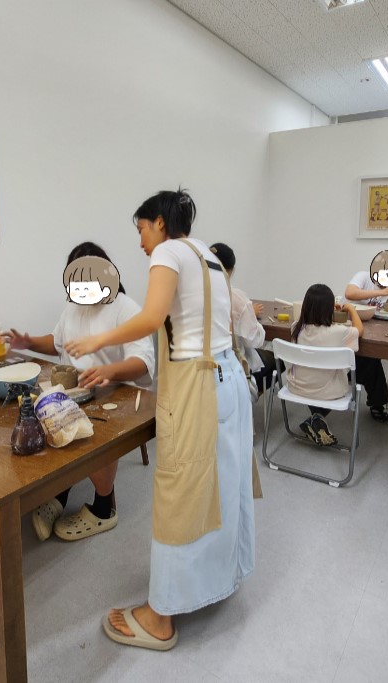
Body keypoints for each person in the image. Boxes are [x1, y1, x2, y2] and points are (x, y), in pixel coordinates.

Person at [64, 189, 254, 651]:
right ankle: (220, 578)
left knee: (179, 490)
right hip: (229, 378)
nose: (141, 242)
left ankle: (160, 618)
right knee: (220, 487)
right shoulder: (208, 255)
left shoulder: (168, 253)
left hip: (195, 385)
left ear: (160, 224)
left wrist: (96, 342)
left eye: (142, 229)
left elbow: (152, 318)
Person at [5, 242, 154, 542]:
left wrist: (109, 372)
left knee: (93, 430)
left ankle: (104, 508)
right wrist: (29, 342)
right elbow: (57, 342)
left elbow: (143, 362)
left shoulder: (125, 309)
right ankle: (61, 493)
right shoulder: (73, 307)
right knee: (44, 413)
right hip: (77, 391)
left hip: (117, 393)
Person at [285, 284, 362, 446]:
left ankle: (315, 419)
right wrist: (350, 309)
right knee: (357, 367)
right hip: (328, 393)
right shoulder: (338, 332)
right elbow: (359, 330)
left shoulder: (296, 328)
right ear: (329, 309)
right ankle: (316, 419)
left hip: (296, 387)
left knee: (315, 374)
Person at [343, 250, 388, 422]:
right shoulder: (363, 277)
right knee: (370, 360)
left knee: (371, 358)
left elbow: (385, 311)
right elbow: (350, 293)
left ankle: (375, 399)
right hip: (348, 326)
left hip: (371, 328)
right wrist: (381, 293)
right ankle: (376, 402)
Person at [208, 242, 266, 396]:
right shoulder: (237, 299)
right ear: (231, 270)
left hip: (203, 371)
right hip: (231, 369)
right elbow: (254, 341)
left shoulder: (193, 294)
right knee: (274, 362)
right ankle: (249, 400)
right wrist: (251, 315)